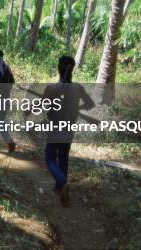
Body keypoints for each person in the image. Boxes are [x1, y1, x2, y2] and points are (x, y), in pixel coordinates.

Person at [43, 55, 94, 206]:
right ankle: (61, 189)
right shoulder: (78, 88)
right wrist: (77, 108)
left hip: (54, 127)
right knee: (63, 156)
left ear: (58, 69)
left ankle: (61, 181)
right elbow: (90, 104)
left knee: (50, 157)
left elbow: (42, 105)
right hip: (69, 128)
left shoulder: (51, 88)